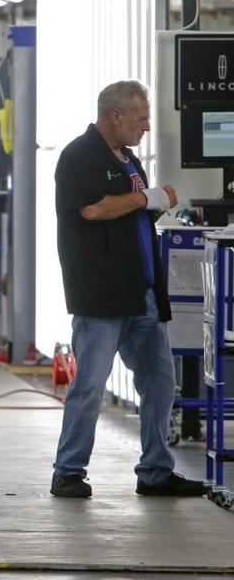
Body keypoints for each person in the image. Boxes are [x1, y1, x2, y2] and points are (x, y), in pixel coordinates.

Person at [50, 80, 205, 498]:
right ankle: (68, 471)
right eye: (140, 118)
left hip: (143, 296)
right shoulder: (79, 156)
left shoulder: (129, 159)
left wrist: (153, 204)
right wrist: (144, 199)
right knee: (91, 386)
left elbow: (132, 219)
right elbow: (93, 209)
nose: (146, 127)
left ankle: (155, 471)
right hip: (101, 298)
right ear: (115, 116)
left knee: (158, 383)